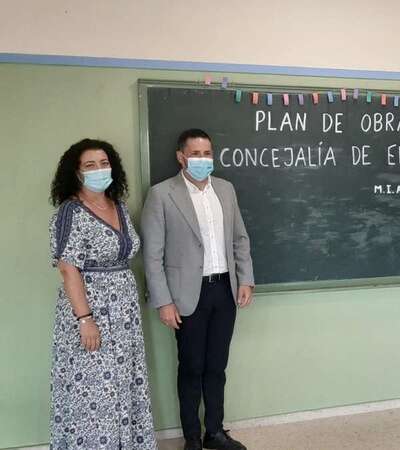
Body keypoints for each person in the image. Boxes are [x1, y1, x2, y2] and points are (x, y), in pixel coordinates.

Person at [141, 128, 254, 450]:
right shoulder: (162, 194)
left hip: (224, 290)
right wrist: (163, 301)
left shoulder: (226, 190)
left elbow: (240, 239)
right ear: (181, 157)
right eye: (196, 154)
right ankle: (192, 437)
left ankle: (214, 432)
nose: (203, 160)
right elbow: (153, 255)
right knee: (191, 367)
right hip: (186, 295)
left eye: (207, 153)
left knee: (217, 366)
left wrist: (245, 279)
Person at [48, 139, 156, 449]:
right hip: (91, 311)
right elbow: (68, 269)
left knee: (124, 380)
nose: (99, 169)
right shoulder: (70, 212)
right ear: (77, 172)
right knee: (95, 387)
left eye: (104, 163)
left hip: (124, 314)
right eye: (90, 165)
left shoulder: (118, 206)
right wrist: (85, 319)